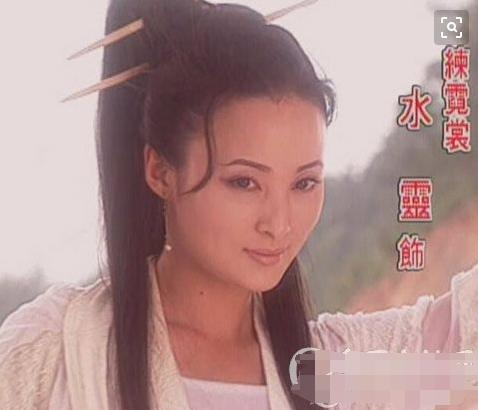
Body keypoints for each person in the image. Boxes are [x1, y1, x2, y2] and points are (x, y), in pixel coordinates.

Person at [1, 1, 477, 409]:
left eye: (304, 183)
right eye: (244, 182)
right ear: (160, 171)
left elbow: (462, 347)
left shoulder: (330, 374)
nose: (279, 223)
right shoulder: (54, 351)